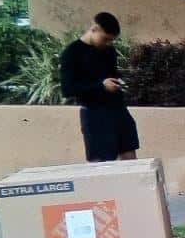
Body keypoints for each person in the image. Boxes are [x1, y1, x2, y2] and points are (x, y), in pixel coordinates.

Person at [60, 12, 140, 162]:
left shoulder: (109, 51)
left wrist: (120, 82)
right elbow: (68, 89)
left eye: (111, 40)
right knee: (102, 165)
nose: (108, 43)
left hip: (118, 110)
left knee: (130, 157)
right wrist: (101, 86)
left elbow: (112, 75)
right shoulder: (72, 53)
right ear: (94, 29)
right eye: (105, 39)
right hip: (94, 114)